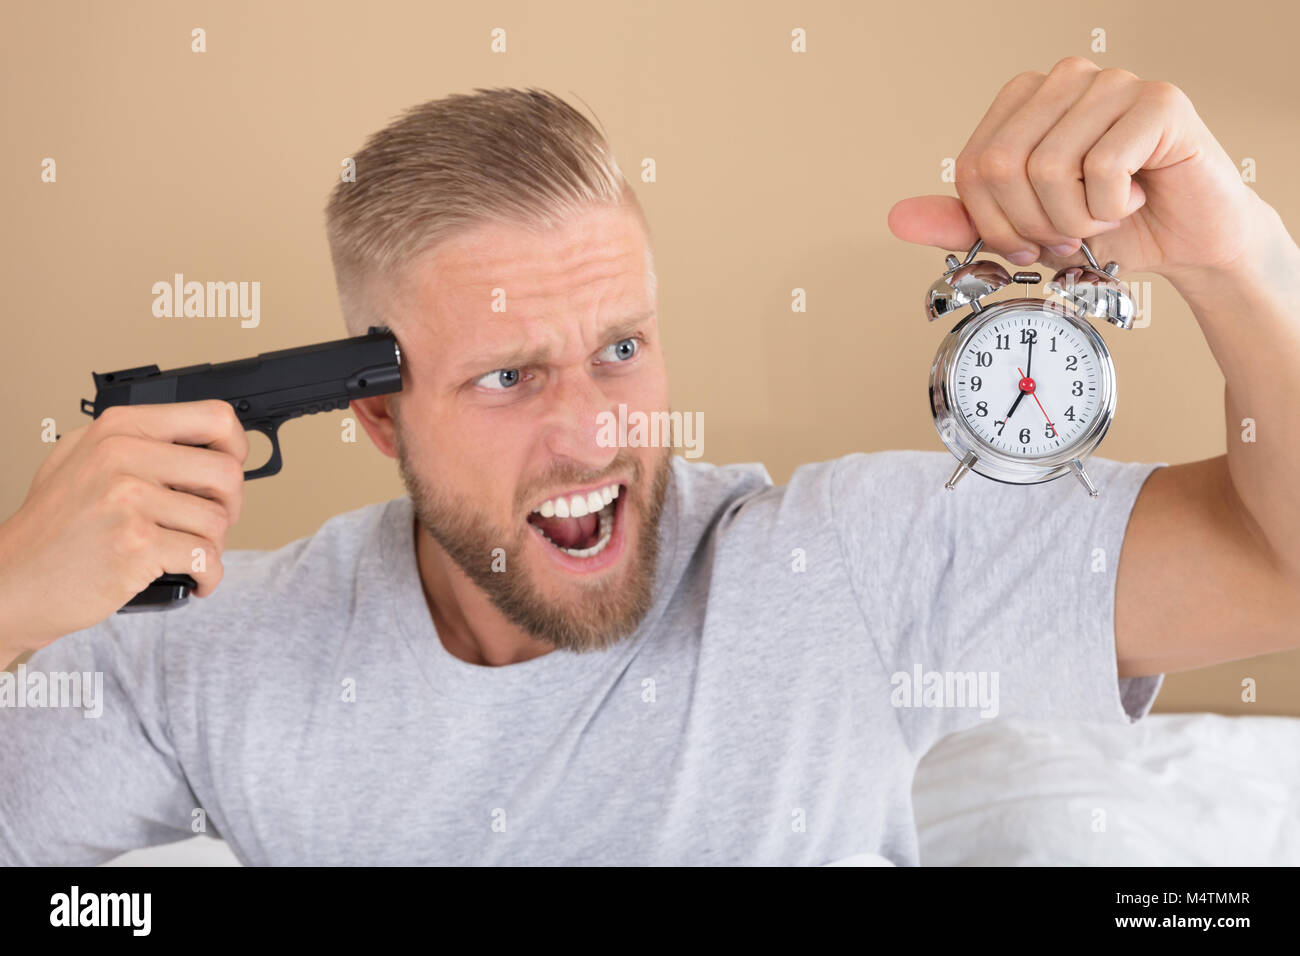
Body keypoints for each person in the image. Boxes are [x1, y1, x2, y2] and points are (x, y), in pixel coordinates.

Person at [2, 60, 1297, 866]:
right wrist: (10, 592)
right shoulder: (218, 662)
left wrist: (1237, 254)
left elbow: (1274, 565)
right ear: (383, 418)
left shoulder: (845, 567)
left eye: (621, 347)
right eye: (508, 377)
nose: (594, 430)